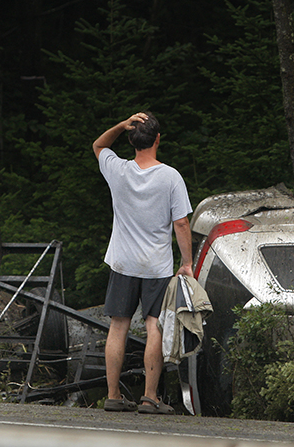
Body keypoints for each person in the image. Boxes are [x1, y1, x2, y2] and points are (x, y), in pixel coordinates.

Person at [92, 111, 193, 414]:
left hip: (122, 262)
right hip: (156, 266)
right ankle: (150, 397)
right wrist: (186, 263)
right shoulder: (170, 176)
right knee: (154, 328)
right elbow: (182, 224)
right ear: (158, 139)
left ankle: (112, 395)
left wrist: (120, 125)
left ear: (132, 140)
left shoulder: (118, 170)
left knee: (118, 327)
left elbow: (98, 146)